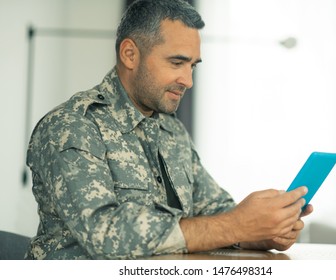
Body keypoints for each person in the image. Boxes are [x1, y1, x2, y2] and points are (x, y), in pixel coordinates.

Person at [25, 0, 313, 260]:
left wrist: (256, 233)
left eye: (192, 66)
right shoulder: (73, 125)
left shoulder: (172, 132)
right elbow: (103, 234)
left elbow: (215, 211)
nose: (188, 80)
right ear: (129, 54)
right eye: (177, 62)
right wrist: (236, 225)